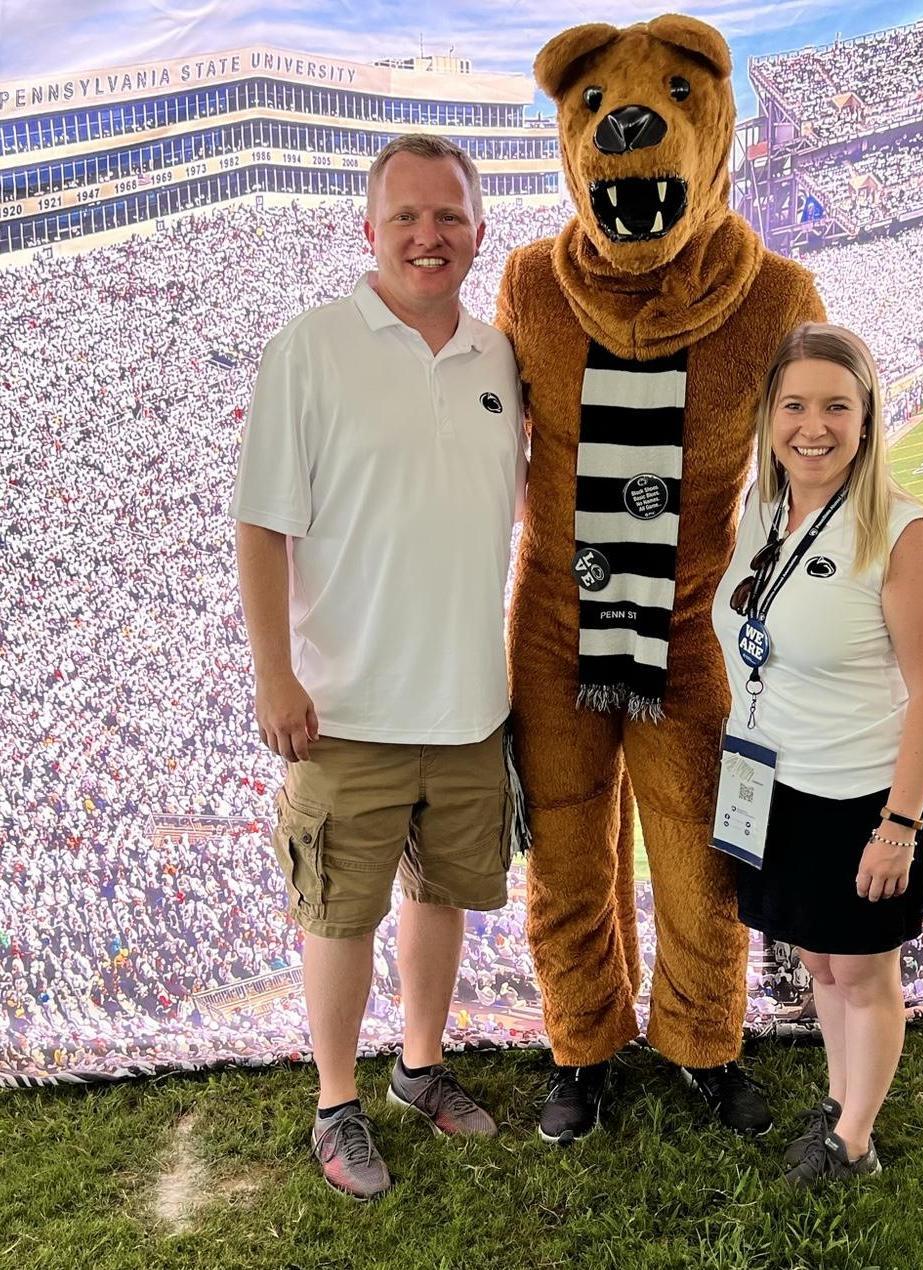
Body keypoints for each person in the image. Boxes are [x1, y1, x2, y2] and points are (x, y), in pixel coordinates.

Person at [231, 134, 525, 1200]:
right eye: (404, 215)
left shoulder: (498, 356)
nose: (426, 235)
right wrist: (276, 674)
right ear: (369, 230)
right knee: (339, 911)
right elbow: (263, 527)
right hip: (346, 701)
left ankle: (422, 1064)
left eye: (447, 215)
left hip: (467, 700)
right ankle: (334, 1100)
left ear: (478, 231)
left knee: (440, 895)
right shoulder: (311, 348)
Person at [712, 323, 923, 1182]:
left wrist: (899, 825)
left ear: (867, 419)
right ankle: (838, 1098)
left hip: (862, 795)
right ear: (768, 417)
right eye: (794, 405)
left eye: (835, 407)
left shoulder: (902, 535)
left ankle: (854, 1140)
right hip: (779, 784)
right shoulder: (765, 509)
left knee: (862, 973)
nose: (811, 427)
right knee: (817, 959)